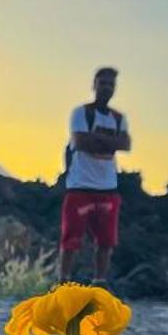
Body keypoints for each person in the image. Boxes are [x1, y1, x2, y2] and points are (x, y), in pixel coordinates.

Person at [59, 66, 130, 280]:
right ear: (94, 85)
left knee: (106, 241)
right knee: (71, 238)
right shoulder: (82, 113)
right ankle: (63, 280)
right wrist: (111, 142)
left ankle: (100, 282)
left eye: (111, 84)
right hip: (80, 186)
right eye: (103, 83)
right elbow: (79, 141)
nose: (107, 88)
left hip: (108, 188)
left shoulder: (118, 118)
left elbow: (126, 144)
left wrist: (96, 140)